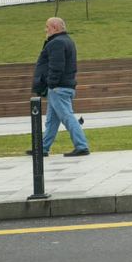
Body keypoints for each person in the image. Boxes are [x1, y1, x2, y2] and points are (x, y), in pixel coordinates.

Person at [29, 17, 90, 157]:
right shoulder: (67, 41)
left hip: (58, 88)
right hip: (62, 86)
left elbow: (56, 66)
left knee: (67, 117)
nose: (45, 30)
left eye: (47, 27)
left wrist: (52, 83)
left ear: (55, 28)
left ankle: (81, 146)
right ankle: (42, 148)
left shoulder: (56, 43)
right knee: (52, 120)